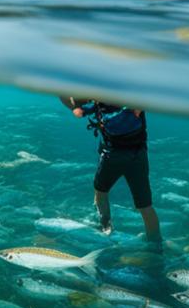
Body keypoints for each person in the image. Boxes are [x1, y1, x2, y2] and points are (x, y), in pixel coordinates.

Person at [60, 96, 160, 243]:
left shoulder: (99, 106)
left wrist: (75, 106)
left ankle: (106, 227)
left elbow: (77, 112)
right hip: (138, 155)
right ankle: (156, 242)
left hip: (112, 156)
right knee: (145, 206)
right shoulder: (133, 105)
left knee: (100, 192)